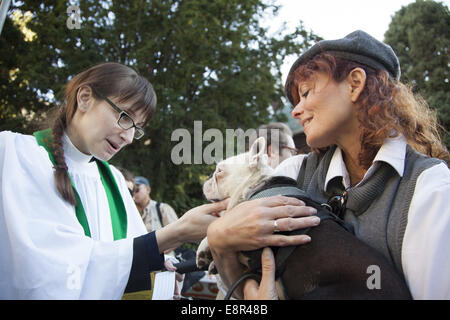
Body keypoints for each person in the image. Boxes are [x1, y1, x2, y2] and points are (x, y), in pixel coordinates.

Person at [208, 30, 450, 300]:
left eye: (306, 93)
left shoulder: (429, 189)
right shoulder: (293, 174)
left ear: (355, 83)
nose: (295, 111)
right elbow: (241, 269)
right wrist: (218, 237)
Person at [0, 62, 229, 299]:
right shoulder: (16, 155)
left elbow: (128, 253)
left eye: (137, 128)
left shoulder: (115, 182)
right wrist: (178, 232)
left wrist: (159, 268)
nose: (129, 137)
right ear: (85, 97)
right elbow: (49, 274)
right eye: (124, 117)